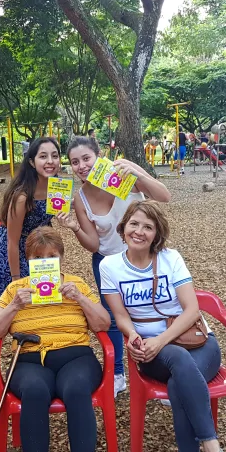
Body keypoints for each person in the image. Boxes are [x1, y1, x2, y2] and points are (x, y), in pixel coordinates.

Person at [99, 201, 226, 452]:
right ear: (123, 228)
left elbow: (192, 310)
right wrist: (133, 335)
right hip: (150, 354)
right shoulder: (109, 266)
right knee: (178, 370)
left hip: (198, 345)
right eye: (134, 224)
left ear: (157, 234)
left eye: (148, 227)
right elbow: (120, 317)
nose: (139, 231)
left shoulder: (170, 258)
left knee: (178, 381)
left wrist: (160, 340)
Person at [0, 227, 110, 452]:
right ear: (29, 261)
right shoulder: (17, 289)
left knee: (76, 388)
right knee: (35, 391)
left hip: (75, 356)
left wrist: (80, 299)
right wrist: (14, 307)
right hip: (29, 358)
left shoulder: (76, 284)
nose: (45, 262)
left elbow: (103, 323)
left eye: (51, 256)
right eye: (38, 258)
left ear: (61, 258)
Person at [57, 136, 170, 398]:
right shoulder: (81, 198)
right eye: (75, 162)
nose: (82, 166)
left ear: (98, 156)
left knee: (155, 309)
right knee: (113, 319)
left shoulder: (121, 171)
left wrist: (137, 173)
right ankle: (118, 373)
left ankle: (163, 373)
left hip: (144, 256)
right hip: (108, 263)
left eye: (86, 158)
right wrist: (74, 227)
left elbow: (164, 196)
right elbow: (94, 244)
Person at [0, 137, 60, 301]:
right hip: (13, 252)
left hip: (38, 248)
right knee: (15, 303)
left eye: (55, 156)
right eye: (43, 156)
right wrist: (16, 279)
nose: (50, 161)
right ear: (32, 162)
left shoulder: (57, 187)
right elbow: (11, 241)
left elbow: (50, 216)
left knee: (42, 299)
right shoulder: (22, 197)